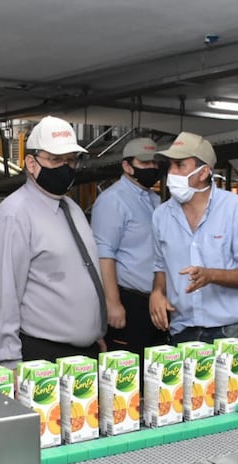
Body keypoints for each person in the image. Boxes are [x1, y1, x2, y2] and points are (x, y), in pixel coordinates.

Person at [0, 116, 105, 367]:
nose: (65, 166)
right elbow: (3, 295)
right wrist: (9, 361)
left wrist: (94, 334)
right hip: (43, 356)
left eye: (70, 159)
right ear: (31, 163)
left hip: (86, 353)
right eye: (55, 159)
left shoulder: (71, 207)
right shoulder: (13, 216)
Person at [149, 132, 238, 344]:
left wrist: (211, 275)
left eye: (180, 165)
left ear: (204, 172)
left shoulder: (237, 210)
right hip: (182, 328)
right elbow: (161, 266)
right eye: (170, 166)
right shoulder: (161, 215)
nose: (171, 173)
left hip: (230, 330)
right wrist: (157, 292)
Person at [91, 137, 166, 357]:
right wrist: (113, 303)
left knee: (154, 372)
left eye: (154, 164)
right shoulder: (112, 201)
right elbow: (104, 254)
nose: (151, 168)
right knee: (127, 374)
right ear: (126, 166)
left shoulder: (154, 200)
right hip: (129, 302)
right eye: (144, 164)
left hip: (153, 301)